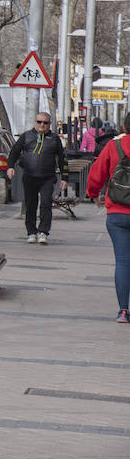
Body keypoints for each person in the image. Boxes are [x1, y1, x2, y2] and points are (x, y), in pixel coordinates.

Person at [80, 112, 130, 323]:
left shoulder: (113, 146)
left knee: (123, 262)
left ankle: (123, 311)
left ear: (124, 126)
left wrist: (93, 195)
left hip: (117, 213)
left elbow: (96, 174)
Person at [6, 112, 68, 245]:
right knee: (30, 205)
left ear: (49, 124)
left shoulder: (54, 138)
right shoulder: (27, 136)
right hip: (29, 177)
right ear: (35, 122)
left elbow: (62, 159)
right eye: (39, 122)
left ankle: (43, 232)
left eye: (45, 123)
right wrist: (10, 167)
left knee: (46, 204)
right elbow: (14, 152)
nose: (42, 125)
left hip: (47, 178)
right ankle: (31, 232)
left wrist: (64, 177)